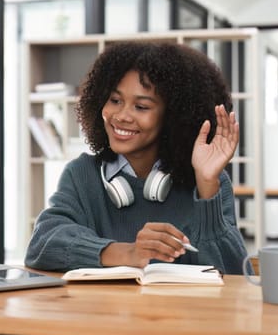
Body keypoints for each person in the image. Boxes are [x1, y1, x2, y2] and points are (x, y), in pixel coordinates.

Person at [25, 41, 248, 274]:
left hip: (184, 311)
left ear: (172, 116)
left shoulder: (211, 182)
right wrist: (128, 253)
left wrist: (206, 188)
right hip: (103, 311)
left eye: (141, 107)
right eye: (115, 100)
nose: (122, 116)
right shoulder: (82, 174)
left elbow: (236, 274)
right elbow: (43, 243)